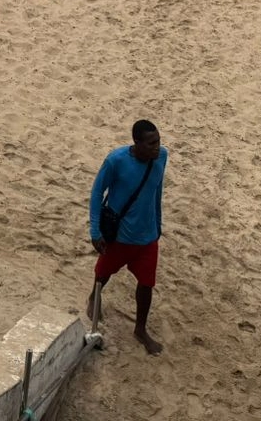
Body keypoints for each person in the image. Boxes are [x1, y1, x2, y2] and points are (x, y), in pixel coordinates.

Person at [87, 120, 167, 355]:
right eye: (151, 143)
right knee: (104, 272)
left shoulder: (162, 156)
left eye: (158, 141)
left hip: (148, 237)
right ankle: (94, 297)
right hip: (120, 235)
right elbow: (96, 191)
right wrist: (95, 231)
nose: (157, 147)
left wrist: (158, 223)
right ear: (137, 143)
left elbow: (157, 190)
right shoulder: (116, 160)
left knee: (146, 284)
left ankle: (140, 329)